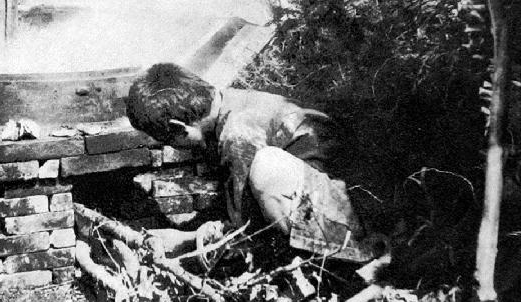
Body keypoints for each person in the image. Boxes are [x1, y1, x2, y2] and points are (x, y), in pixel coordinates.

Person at [125, 63, 378, 262]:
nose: (172, 147)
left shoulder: (237, 133)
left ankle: (328, 268)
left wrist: (186, 241)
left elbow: (245, 230)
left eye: (167, 140)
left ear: (178, 129)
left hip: (355, 229)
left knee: (266, 168)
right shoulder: (228, 104)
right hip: (348, 207)